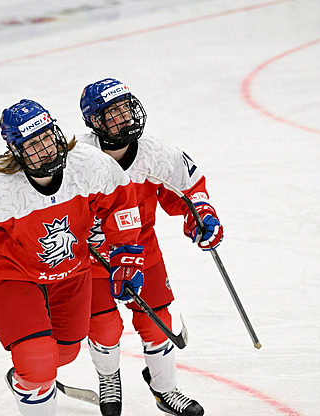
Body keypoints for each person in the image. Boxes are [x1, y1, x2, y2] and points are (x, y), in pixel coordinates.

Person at [0, 98, 145, 416]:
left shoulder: (88, 164)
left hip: (69, 269)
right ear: (15, 152)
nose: (45, 149)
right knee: (38, 361)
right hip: (9, 273)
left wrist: (126, 252)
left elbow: (120, 199)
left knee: (66, 353)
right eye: (33, 145)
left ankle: (29, 379)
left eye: (48, 137)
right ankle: (33, 378)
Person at [78, 78, 224, 416]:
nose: (123, 117)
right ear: (94, 122)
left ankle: (165, 388)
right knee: (103, 326)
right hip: (93, 258)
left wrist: (200, 215)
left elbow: (189, 190)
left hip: (141, 251)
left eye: (125, 108)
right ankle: (109, 379)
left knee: (157, 319)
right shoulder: (79, 158)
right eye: (111, 113)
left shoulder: (157, 154)